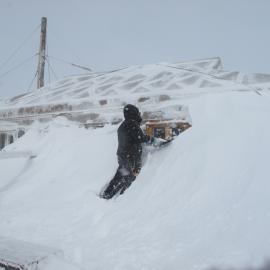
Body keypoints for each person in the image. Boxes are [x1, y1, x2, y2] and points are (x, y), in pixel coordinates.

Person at [100, 104, 169, 199]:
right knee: (125, 176)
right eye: (137, 113)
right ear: (133, 113)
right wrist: (155, 141)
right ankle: (117, 196)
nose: (139, 115)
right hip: (129, 157)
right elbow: (141, 138)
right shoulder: (131, 124)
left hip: (123, 155)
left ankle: (111, 193)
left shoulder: (124, 125)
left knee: (123, 175)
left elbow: (134, 138)